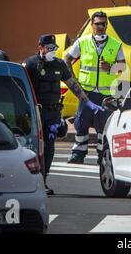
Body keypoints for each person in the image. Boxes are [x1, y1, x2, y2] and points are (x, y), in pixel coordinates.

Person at [24, 34, 103, 195]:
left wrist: (87, 102)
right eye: (49, 48)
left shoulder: (59, 64)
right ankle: (32, 180)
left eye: (54, 48)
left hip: (53, 112)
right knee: (35, 147)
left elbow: (72, 84)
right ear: (40, 47)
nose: (52, 51)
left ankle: (43, 180)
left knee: (49, 146)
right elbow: (23, 87)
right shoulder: (31, 64)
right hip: (37, 112)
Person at [64, 11, 126, 164]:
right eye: (97, 24)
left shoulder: (115, 44)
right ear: (92, 25)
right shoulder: (82, 42)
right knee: (81, 123)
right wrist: (74, 81)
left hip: (106, 94)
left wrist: (110, 67)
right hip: (86, 91)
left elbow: (122, 67)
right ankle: (78, 154)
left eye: (104, 24)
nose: (101, 27)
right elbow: (67, 59)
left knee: (103, 127)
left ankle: (102, 156)